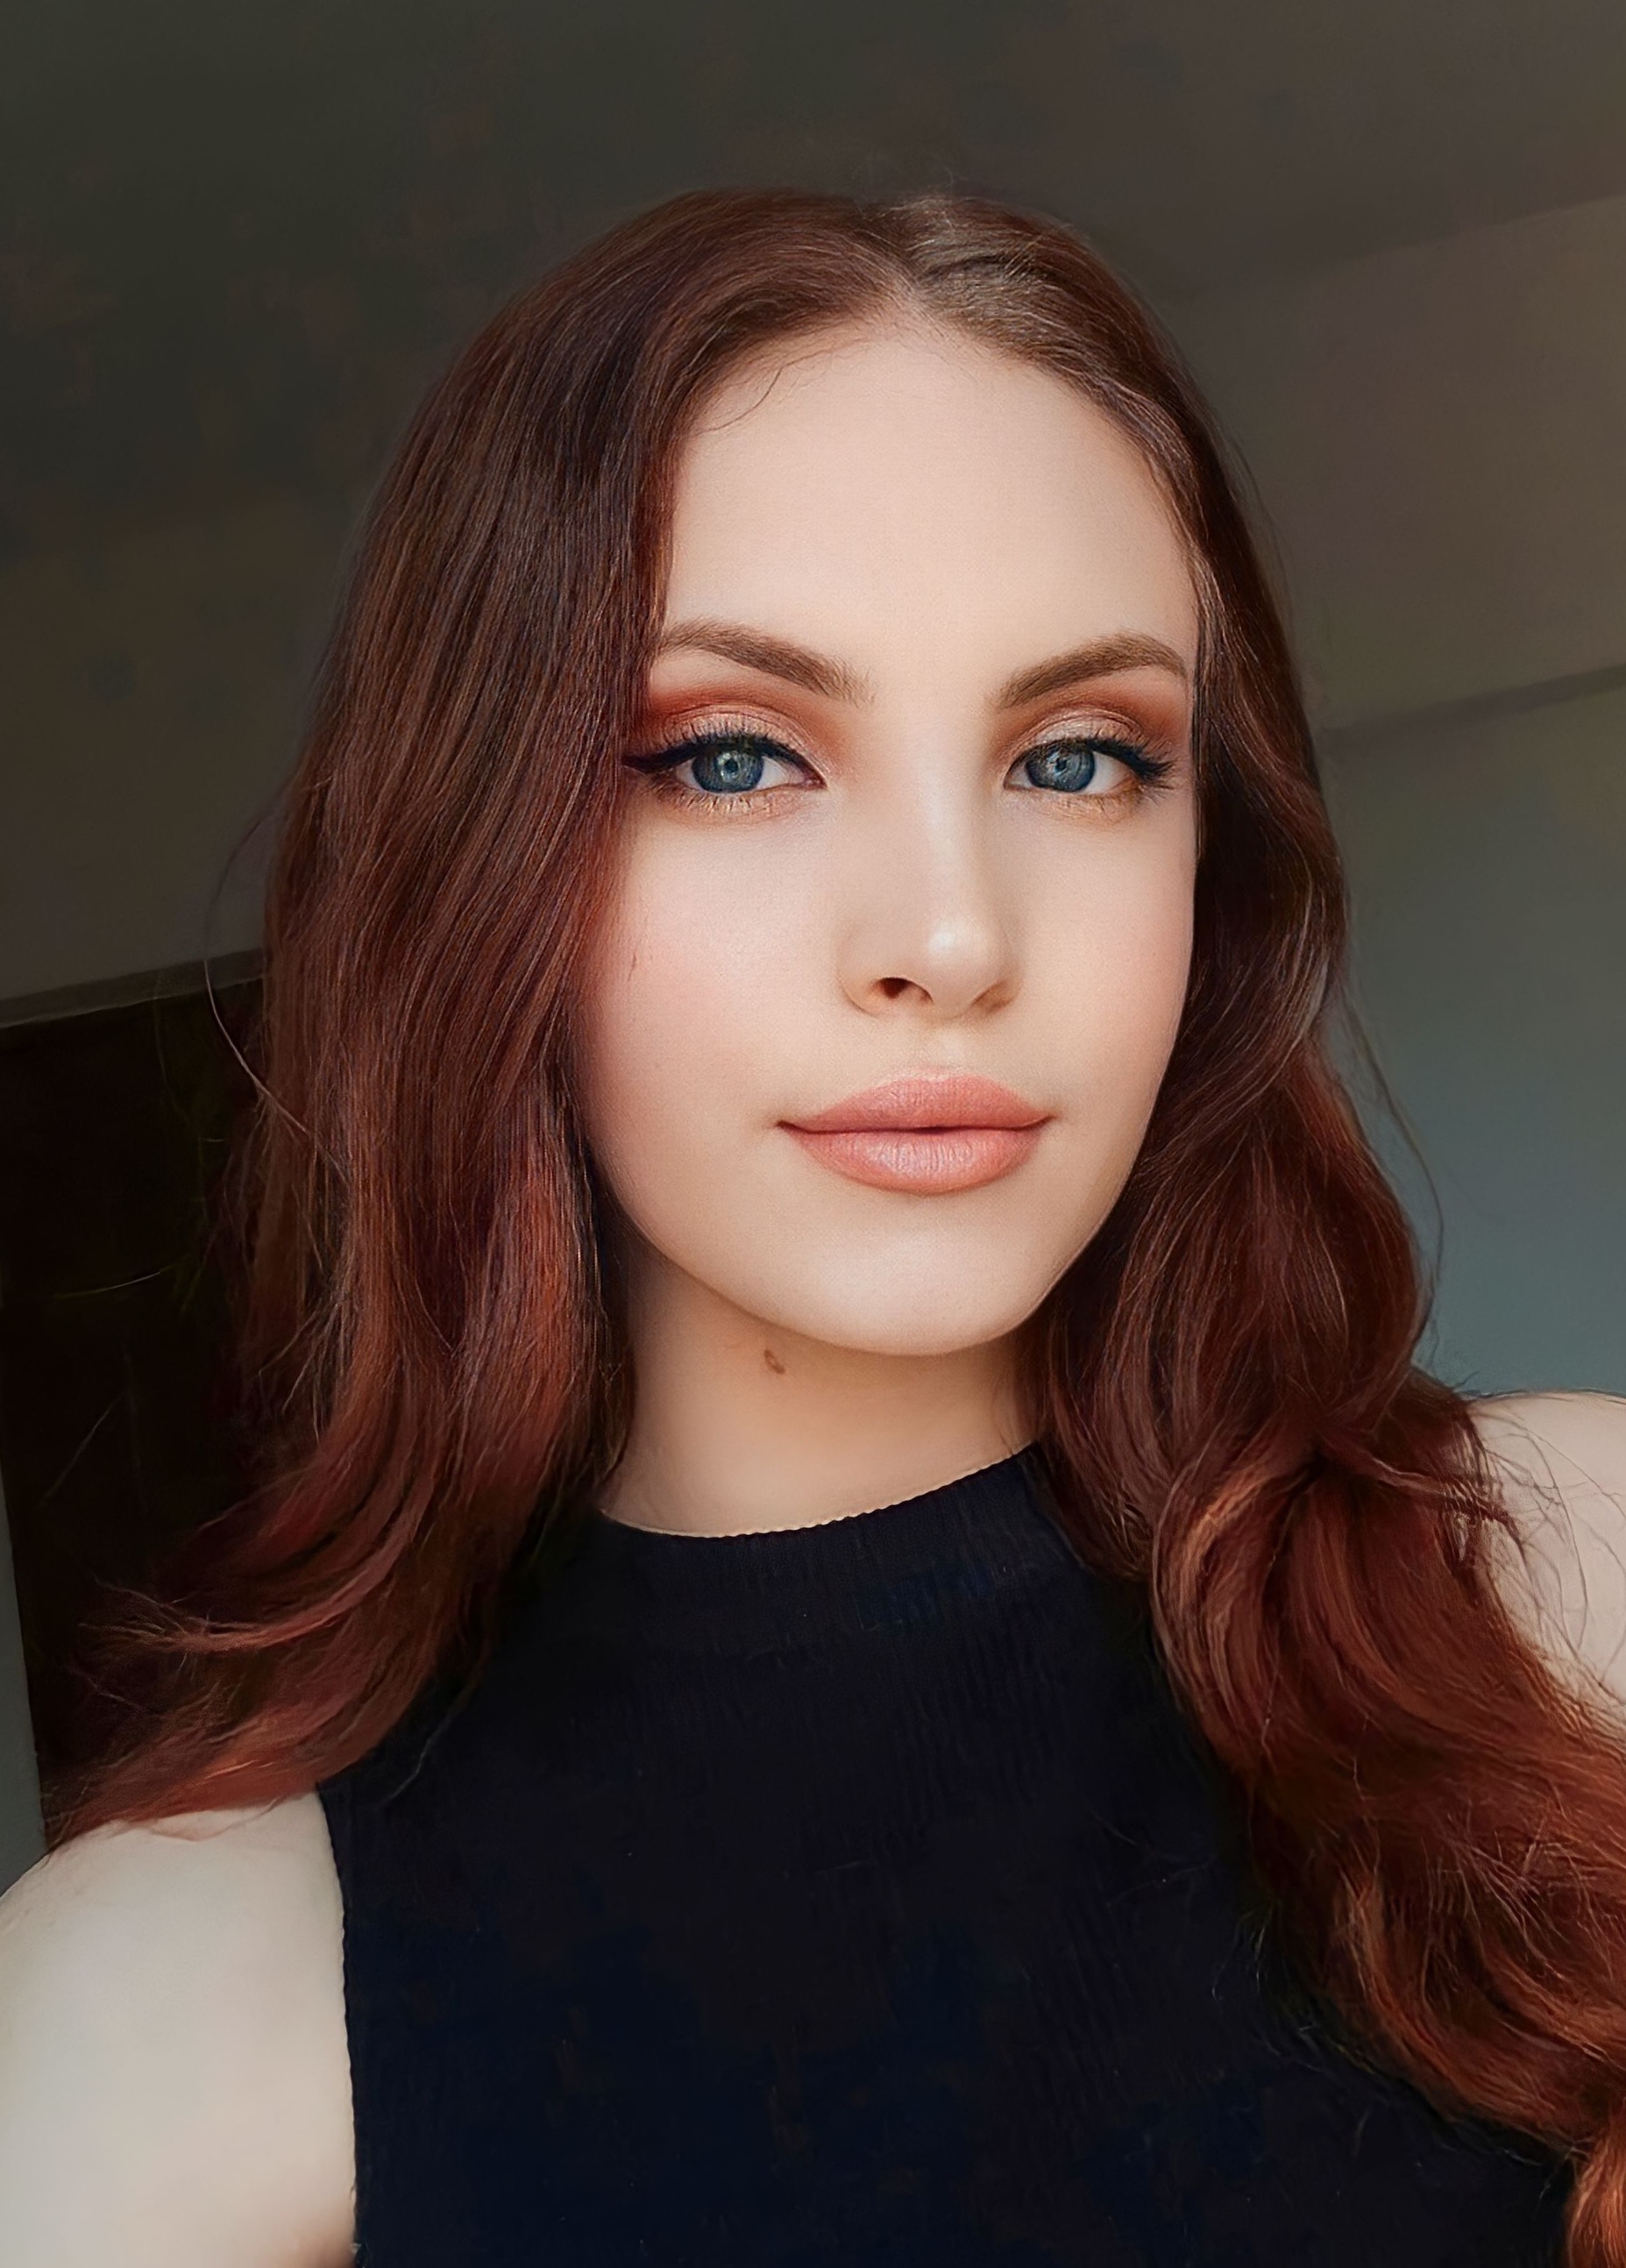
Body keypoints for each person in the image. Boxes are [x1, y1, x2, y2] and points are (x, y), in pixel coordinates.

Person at [0, 187, 1622, 2267]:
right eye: (735, 756)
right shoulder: (157, 2014)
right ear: (478, 861)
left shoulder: (1562, 1591)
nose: (948, 935)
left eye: (1078, 758)